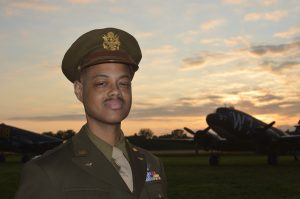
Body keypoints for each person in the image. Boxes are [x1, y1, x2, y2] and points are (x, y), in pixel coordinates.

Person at [15, 28, 168, 199]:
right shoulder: (46, 171)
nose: (115, 92)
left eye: (124, 83)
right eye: (102, 83)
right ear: (79, 90)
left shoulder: (152, 163)